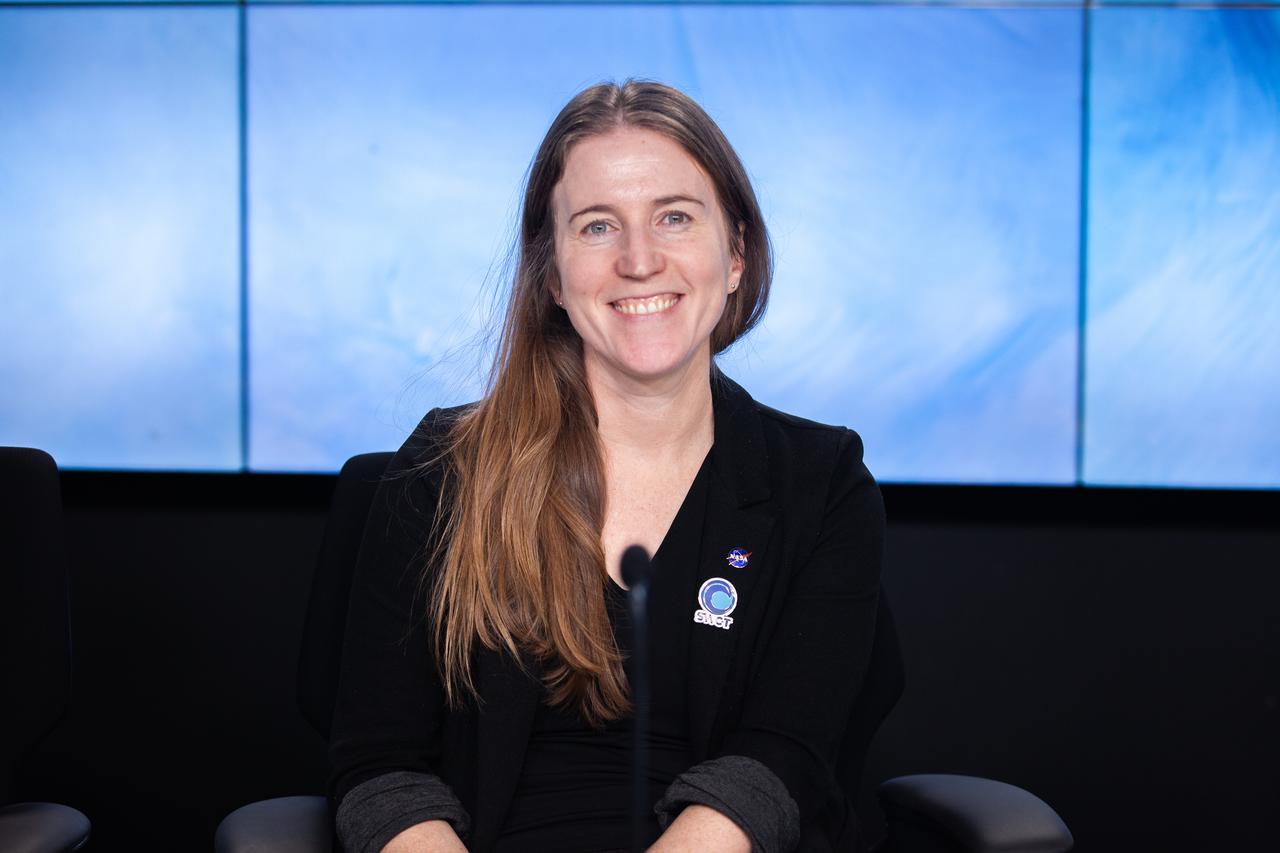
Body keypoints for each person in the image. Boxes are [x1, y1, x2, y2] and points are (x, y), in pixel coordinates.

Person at [328, 79, 884, 853]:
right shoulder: (444, 472)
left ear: (735, 254)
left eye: (675, 217)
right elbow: (381, 773)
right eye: (597, 226)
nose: (639, 259)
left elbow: (779, 767)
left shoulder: (821, 483)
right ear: (552, 275)